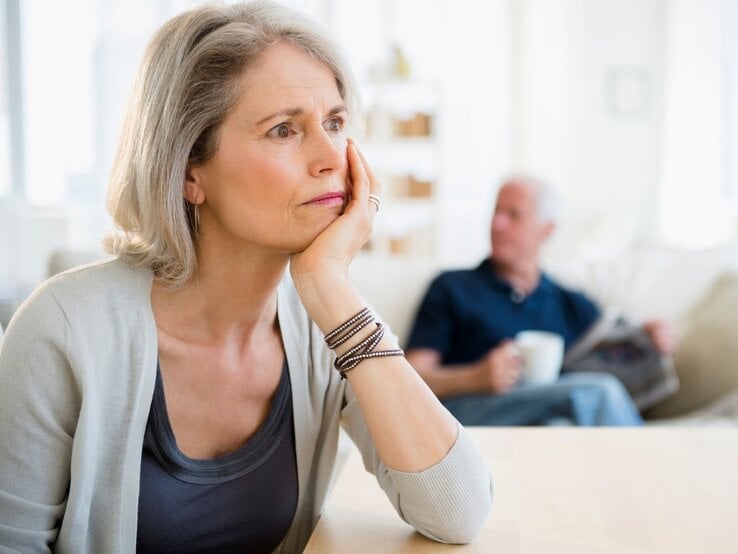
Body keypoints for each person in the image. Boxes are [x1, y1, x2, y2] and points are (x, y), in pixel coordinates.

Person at [0, 2, 492, 552]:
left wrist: (333, 289)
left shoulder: (324, 325)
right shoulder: (62, 330)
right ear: (188, 170)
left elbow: (458, 512)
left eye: (334, 122)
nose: (332, 156)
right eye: (284, 130)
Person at [405, 175, 677, 426]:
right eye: (496, 212)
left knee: (561, 425)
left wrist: (648, 336)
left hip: (545, 420)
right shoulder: (452, 287)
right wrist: (476, 377)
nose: (498, 224)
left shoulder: (569, 302)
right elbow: (410, 378)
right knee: (596, 392)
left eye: (514, 215)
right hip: (471, 414)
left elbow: (608, 343)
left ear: (546, 230)